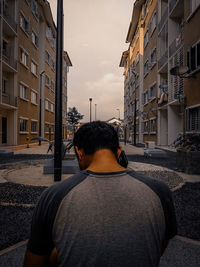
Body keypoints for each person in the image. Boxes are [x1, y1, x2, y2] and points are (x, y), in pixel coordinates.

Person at [23, 121, 177, 267]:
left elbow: (34, 262)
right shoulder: (160, 190)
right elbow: (159, 245)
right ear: (119, 153)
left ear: (79, 152)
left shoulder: (54, 196)